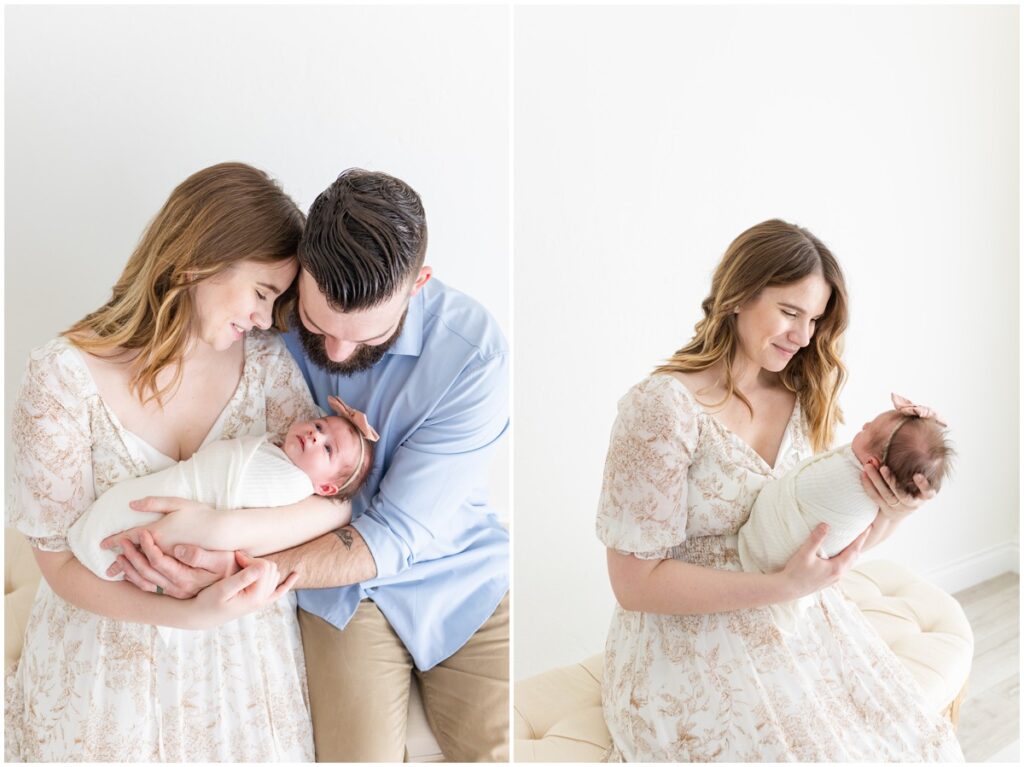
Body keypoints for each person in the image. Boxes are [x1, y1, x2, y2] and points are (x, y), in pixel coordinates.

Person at [105, 169, 510, 761]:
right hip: (334, 593)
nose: (340, 354)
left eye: (367, 337)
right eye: (321, 328)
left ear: (418, 284)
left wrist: (236, 567)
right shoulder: (267, 315)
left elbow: (399, 533)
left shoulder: (474, 356)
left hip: (456, 573)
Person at [595, 219, 964, 761]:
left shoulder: (802, 393)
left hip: (800, 616)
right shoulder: (663, 408)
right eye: (790, 313)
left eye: (814, 319)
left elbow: (822, 546)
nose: (804, 336)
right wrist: (784, 587)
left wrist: (896, 509)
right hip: (687, 637)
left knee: (909, 744)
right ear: (738, 295)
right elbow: (633, 584)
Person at [5, 162, 336, 761]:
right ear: (199, 260)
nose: (266, 319)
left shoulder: (265, 368)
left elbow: (332, 505)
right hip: (107, 675)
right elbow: (56, 562)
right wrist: (186, 615)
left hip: (243, 679)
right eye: (263, 293)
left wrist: (226, 532)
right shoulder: (60, 377)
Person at [69, 396, 378, 581]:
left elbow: (236, 520)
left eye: (327, 450)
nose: (315, 436)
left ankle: (97, 543)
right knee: (132, 508)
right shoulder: (276, 449)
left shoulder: (292, 484)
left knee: (137, 521)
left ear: (324, 488)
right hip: (175, 487)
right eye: (321, 426)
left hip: (192, 504)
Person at [738, 392, 954, 629]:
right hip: (774, 567)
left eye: (868, 429)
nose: (863, 425)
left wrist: (899, 514)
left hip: (770, 555)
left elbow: (852, 545)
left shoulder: (852, 489)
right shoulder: (867, 498)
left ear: (872, 463)